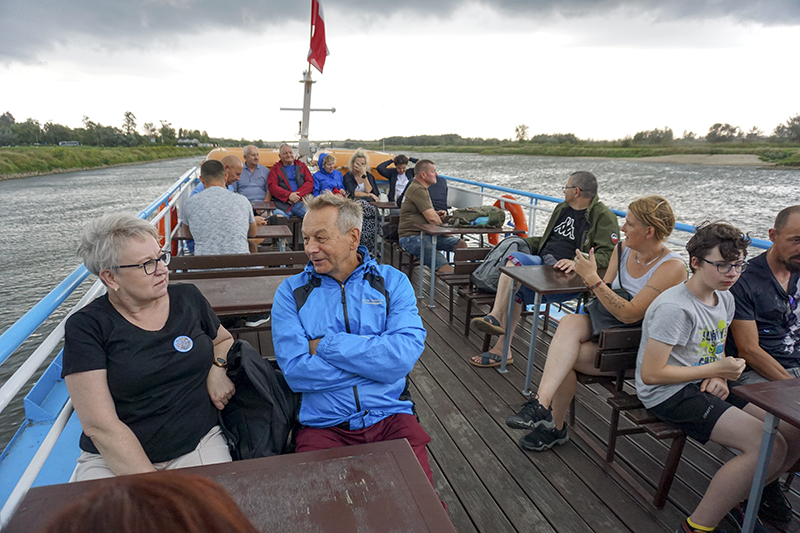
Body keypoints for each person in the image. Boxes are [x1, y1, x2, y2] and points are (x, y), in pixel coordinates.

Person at [636, 222, 800, 533]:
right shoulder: (675, 307)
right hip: (668, 392)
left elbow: (715, 349)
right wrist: (714, 371)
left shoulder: (723, 298)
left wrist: (721, 376)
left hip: (704, 380)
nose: (732, 273)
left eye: (738, 264)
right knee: (766, 445)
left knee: (792, 430)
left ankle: (737, 501)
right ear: (695, 263)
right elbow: (651, 374)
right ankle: (699, 525)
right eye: (722, 265)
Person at [271, 193, 435, 485]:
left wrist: (323, 346)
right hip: (324, 426)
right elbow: (296, 373)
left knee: (422, 511)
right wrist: (374, 367)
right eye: (306, 238)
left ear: (353, 237)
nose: (310, 248)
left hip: (391, 417)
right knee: (323, 512)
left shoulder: (391, 282)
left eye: (321, 238)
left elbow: (399, 359)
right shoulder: (291, 292)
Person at [505, 196, 687, 450]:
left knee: (564, 358)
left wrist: (592, 278)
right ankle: (542, 407)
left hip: (639, 348)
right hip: (610, 335)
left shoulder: (673, 267)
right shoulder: (622, 250)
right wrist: (594, 282)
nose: (622, 229)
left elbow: (630, 315)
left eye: (630, 224)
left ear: (649, 231)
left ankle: (552, 424)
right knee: (567, 328)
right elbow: (603, 299)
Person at [62, 213, 235, 481]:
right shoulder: (87, 327)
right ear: (111, 278)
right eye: (146, 264)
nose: (162, 269)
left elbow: (223, 340)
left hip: (197, 445)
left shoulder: (187, 298)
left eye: (160, 257)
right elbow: (99, 425)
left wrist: (218, 368)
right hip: (113, 459)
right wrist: (153, 486)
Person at [469, 171, 619, 367]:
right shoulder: (562, 209)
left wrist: (576, 262)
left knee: (515, 276)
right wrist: (519, 240)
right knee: (514, 270)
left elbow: (609, 254)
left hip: (566, 274)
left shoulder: (603, 216)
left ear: (576, 191)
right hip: (543, 262)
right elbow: (548, 241)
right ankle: (499, 333)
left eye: (565, 187)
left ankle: (498, 333)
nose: (563, 191)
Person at [727, 205, 800, 524]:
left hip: (792, 370)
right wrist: (793, 389)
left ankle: (764, 485)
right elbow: (750, 349)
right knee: (791, 425)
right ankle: (747, 494)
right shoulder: (746, 280)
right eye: (796, 240)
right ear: (772, 236)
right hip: (754, 376)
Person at [42, 472, 258, 533]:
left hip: (195, 439)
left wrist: (218, 366)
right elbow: (98, 425)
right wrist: (161, 485)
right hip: (113, 453)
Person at [398, 159, 467, 274]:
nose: (437, 174)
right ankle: (460, 282)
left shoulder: (421, 188)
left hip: (424, 235)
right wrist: (447, 232)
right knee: (443, 264)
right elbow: (432, 219)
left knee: (461, 244)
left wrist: (435, 213)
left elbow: (428, 214)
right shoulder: (417, 189)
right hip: (412, 237)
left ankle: (461, 277)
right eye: (433, 171)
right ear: (423, 175)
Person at [183, 160, 256, 256]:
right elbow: (253, 233)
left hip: (203, 267)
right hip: (240, 267)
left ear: (201, 179)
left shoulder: (190, 203)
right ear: (226, 176)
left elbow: (188, 235)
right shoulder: (243, 200)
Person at [343, 149, 380, 251]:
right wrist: (369, 194)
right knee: (364, 206)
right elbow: (352, 193)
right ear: (353, 163)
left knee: (373, 215)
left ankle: (371, 246)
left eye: (362, 164)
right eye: (357, 163)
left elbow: (370, 189)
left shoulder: (369, 176)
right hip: (355, 203)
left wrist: (364, 175)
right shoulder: (349, 176)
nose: (359, 166)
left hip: (369, 205)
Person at [267, 143, 313, 218]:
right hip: (282, 204)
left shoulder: (302, 166)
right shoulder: (275, 169)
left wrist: (296, 196)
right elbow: (272, 187)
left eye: (290, 152)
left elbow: (310, 183)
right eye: (285, 153)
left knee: (312, 218)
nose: (288, 155)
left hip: (300, 203)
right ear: (279, 156)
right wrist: (288, 196)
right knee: (279, 219)